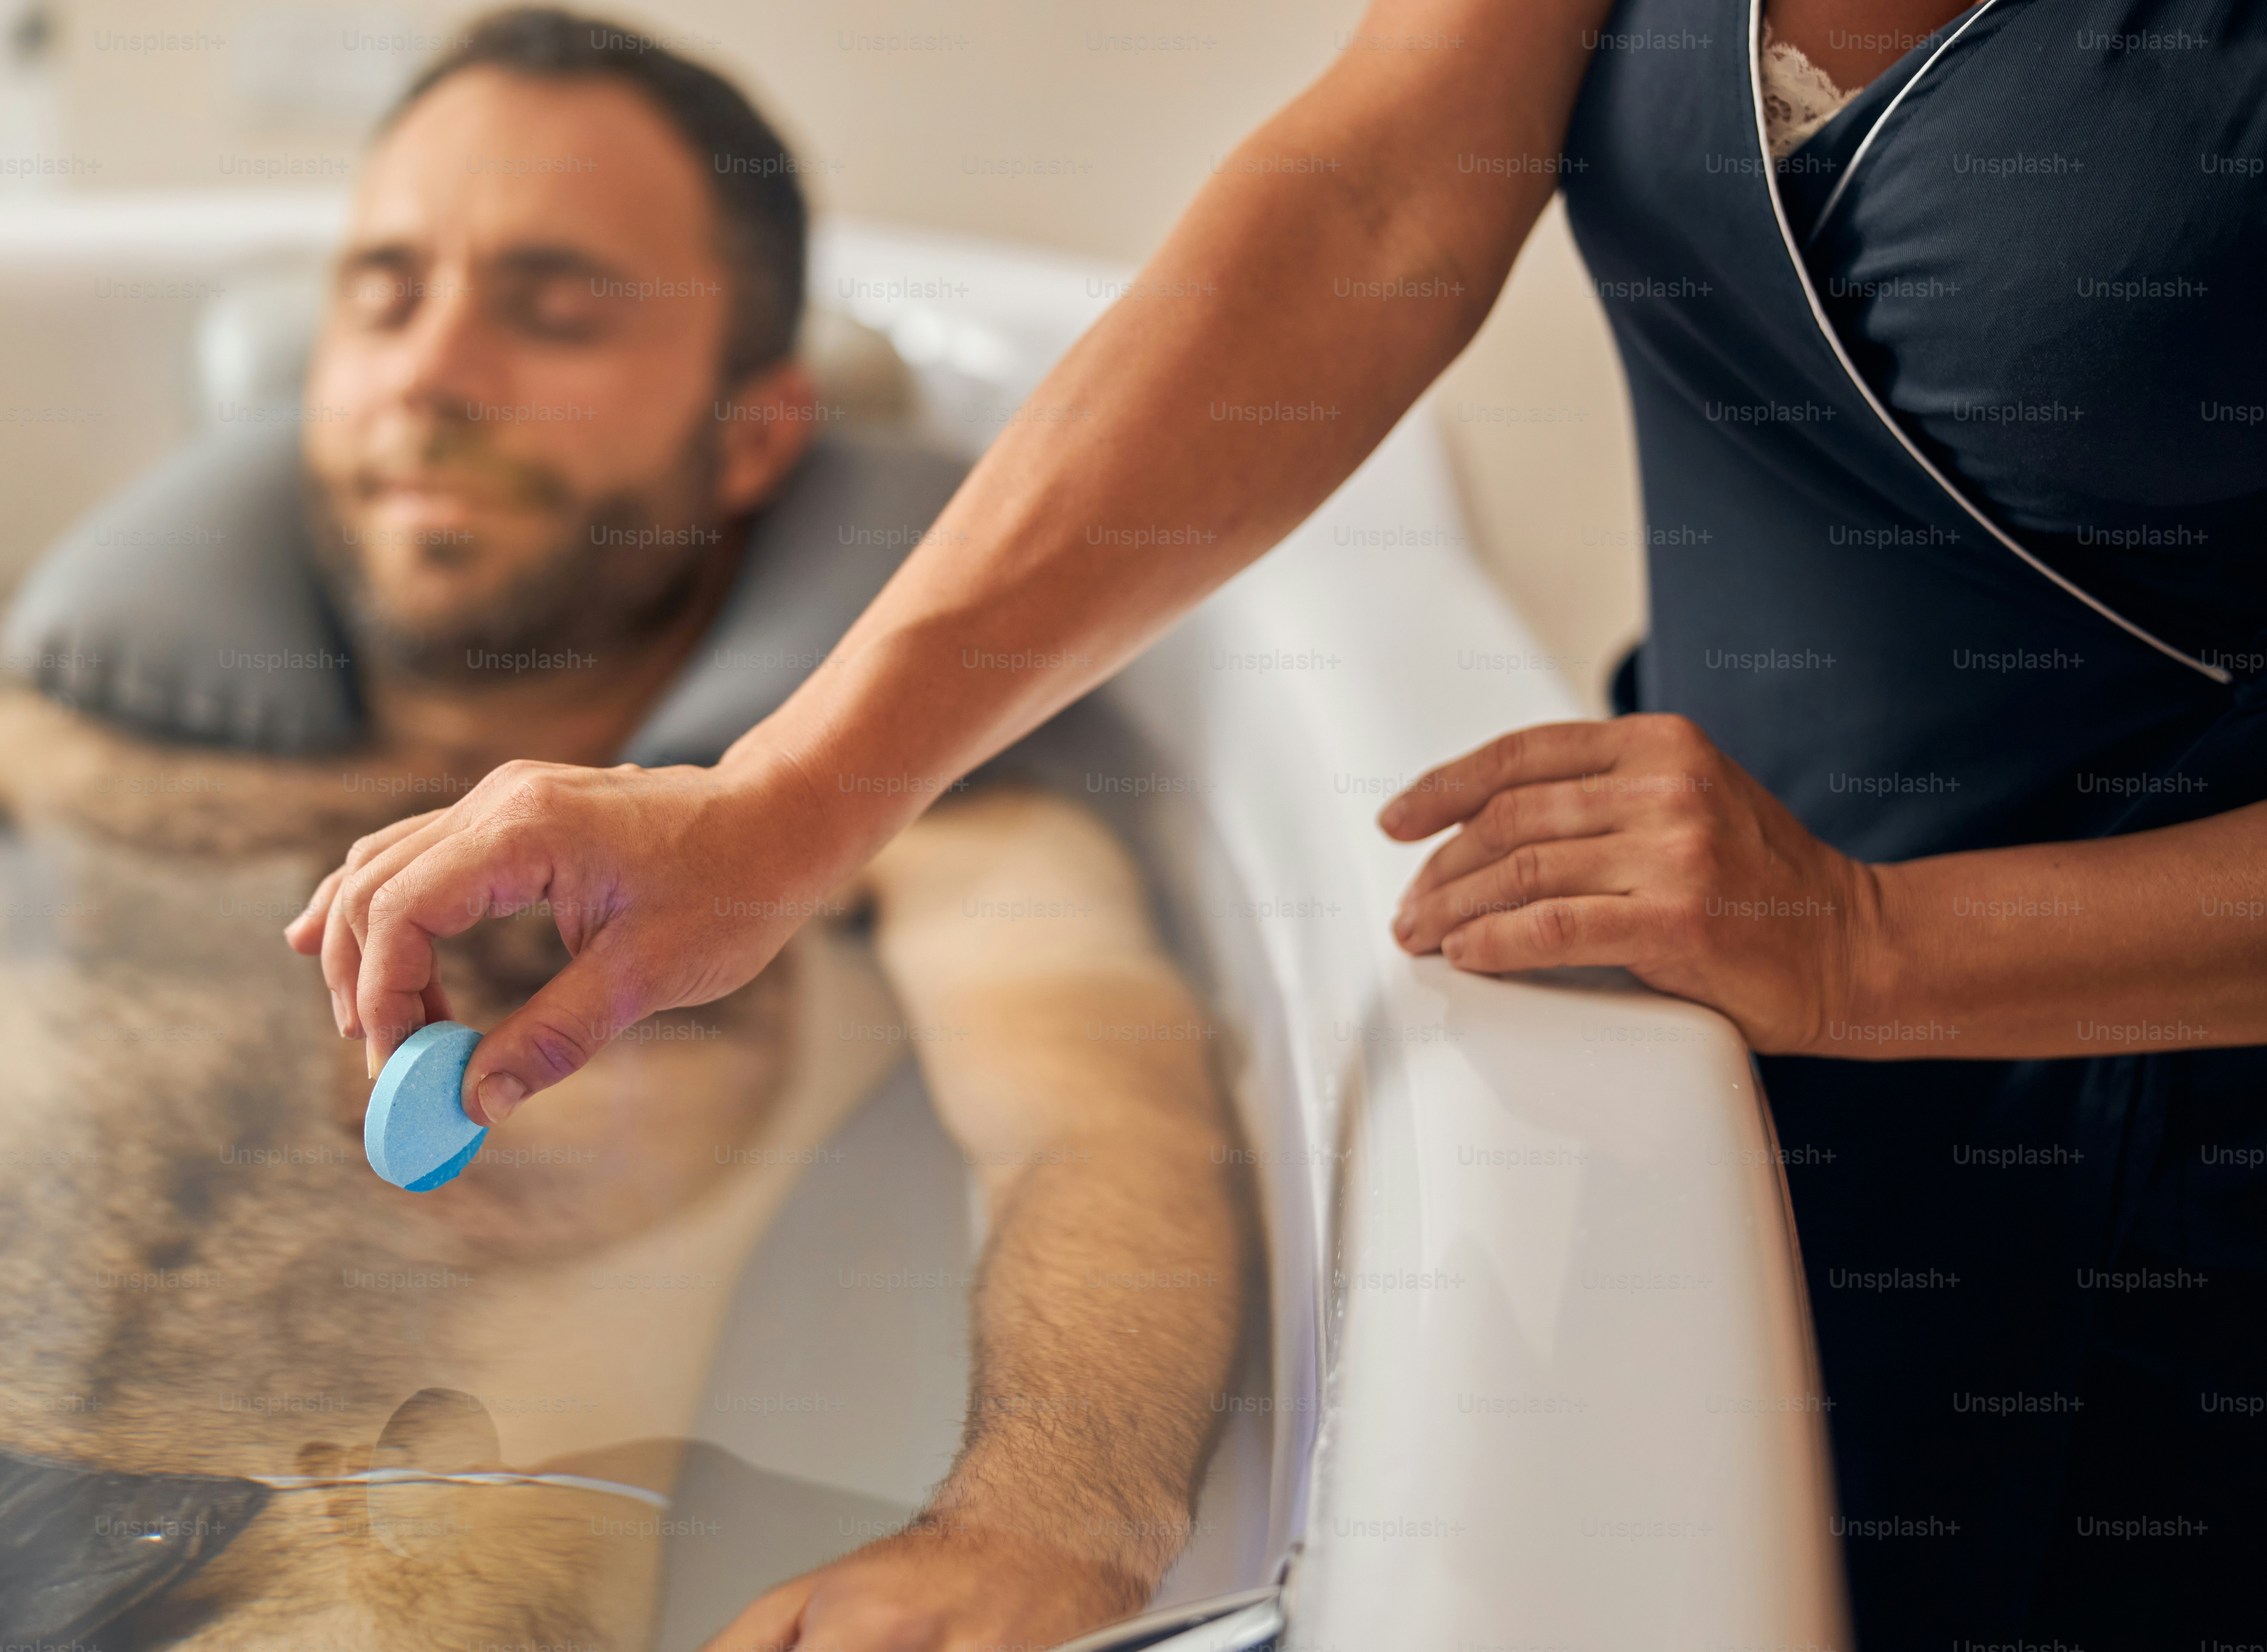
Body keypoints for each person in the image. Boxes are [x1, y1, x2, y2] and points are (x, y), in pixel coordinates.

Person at [293, 0, 2267, 1644]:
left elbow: (1102, 1116)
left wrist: (1876, 949)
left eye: (554, 305)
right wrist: (792, 794)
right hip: (1726, 997)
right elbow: (1373, 194)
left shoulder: (1012, 877)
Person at [0, 16, 1248, 1650]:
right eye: (384, 292)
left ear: (752, 432)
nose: (433, 371)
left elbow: (1103, 1133)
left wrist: (1036, 1525)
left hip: (373, 1565)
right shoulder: (65, 750)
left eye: (553, 313)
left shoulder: (893, 844)